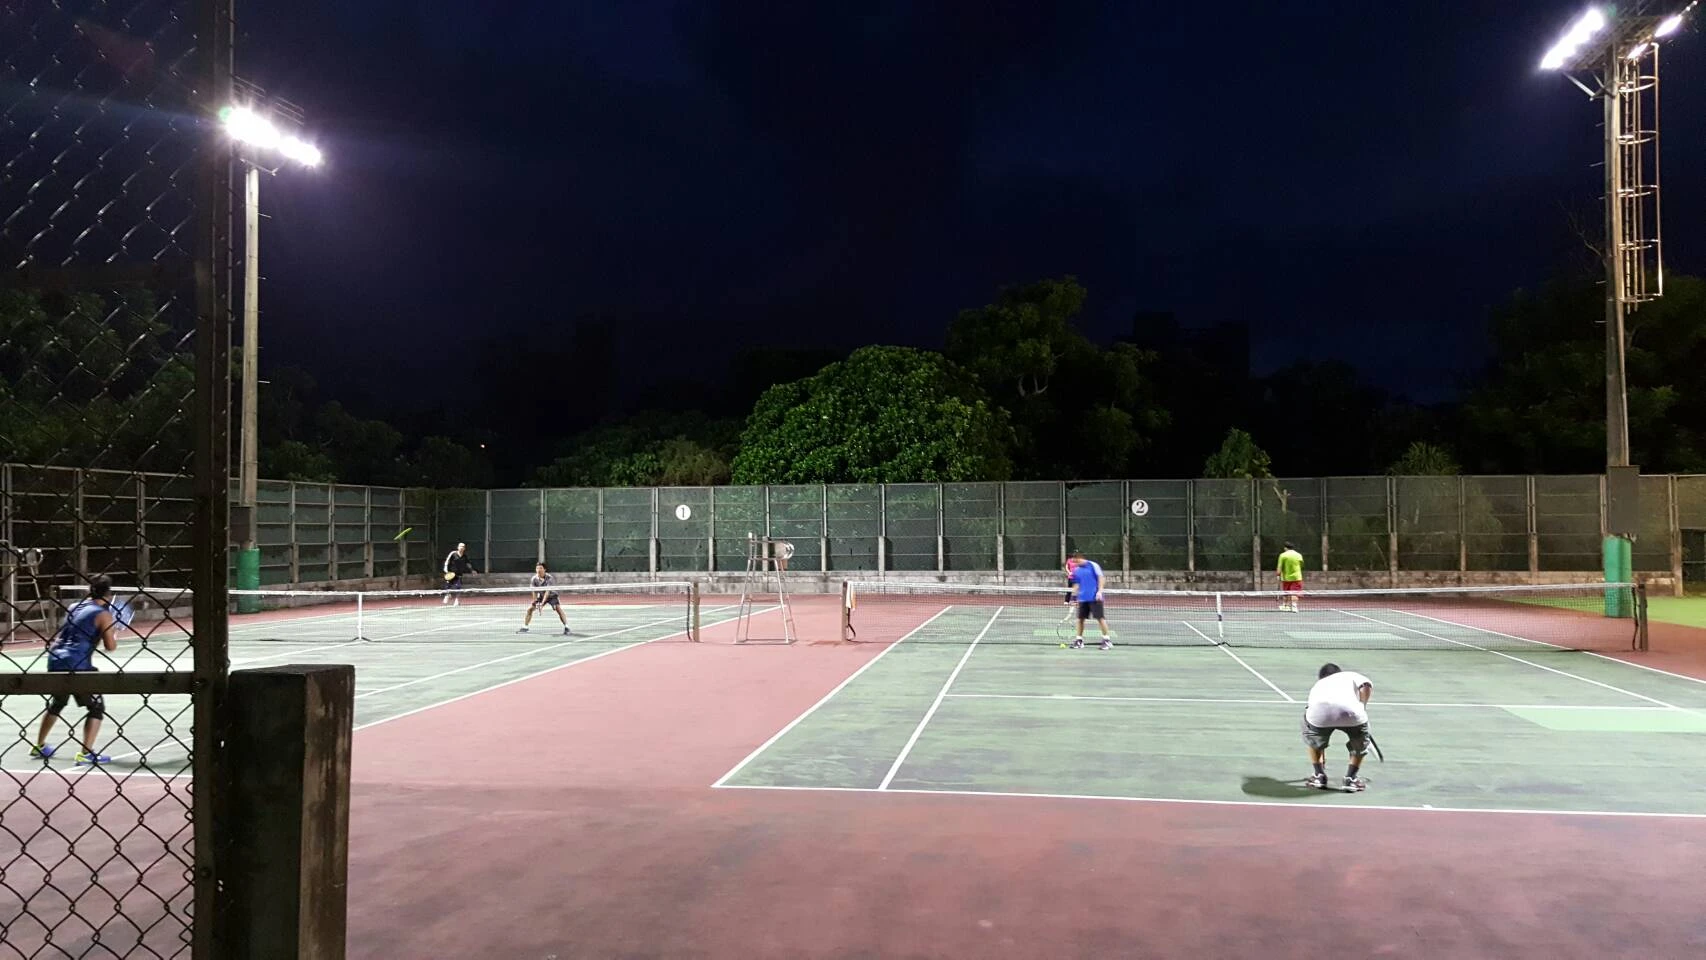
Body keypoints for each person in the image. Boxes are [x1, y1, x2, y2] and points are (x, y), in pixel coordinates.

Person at [31, 575, 119, 765]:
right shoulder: (104, 615)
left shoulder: (74, 607)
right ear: (108, 594)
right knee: (96, 706)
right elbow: (110, 646)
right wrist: (113, 631)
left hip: (55, 659)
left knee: (58, 702)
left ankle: (39, 745)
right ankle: (86, 753)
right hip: (77, 664)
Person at [1303, 663, 1373, 792]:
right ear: (1339, 672)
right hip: (1352, 714)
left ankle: (1319, 776)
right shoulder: (1350, 675)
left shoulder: (1318, 685)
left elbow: (1310, 707)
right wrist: (1362, 706)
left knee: (1314, 741)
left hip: (1319, 713)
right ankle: (1350, 779)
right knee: (1359, 743)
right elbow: (1366, 686)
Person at [1066, 550, 1112, 650]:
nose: (1075, 564)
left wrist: (1099, 591)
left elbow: (1101, 578)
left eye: (1076, 561)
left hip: (1095, 597)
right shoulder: (1076, 570)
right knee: (1080, 619)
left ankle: (1107, 640)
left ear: (1081, 558)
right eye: (1074, 562)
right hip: (1083, 599)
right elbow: (1076, 584)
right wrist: (1073, 597)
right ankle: (1079, 641)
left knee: (1100, 618)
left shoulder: (1093, 565)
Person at [519, 562, 570, 636]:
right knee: (529, 609)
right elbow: (534, 591)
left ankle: (567, 627)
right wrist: (535, 602)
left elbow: (547, 592)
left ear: (544, 569)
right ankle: (525, 627)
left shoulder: (550, 578)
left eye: (540, 568)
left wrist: (542, 604)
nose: (538, 570)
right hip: (541, 595)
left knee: (558, 609)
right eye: (537, 568)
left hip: (551, 595)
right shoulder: (534, 579)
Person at [1276, 540, 1305, 612]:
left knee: (1286, 592)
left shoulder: (1282, 555)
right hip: (1297, 577)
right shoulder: (1299, 555)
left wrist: (1278, 575)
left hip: (1286, 578)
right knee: (1295, 592)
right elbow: (1301, 565)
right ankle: (1294, 607)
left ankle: (1285, 606)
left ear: (1285, 548)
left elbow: (1279, 566)